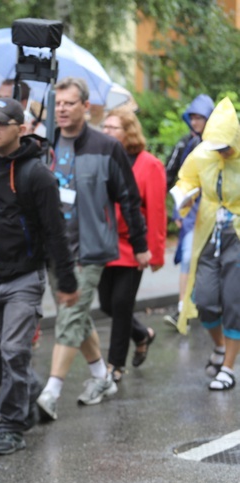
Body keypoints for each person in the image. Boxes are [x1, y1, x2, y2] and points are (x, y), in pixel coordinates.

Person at [0, 97, 78, 454]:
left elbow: (54, 231)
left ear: (21, 128)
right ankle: (27, 389)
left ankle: (11, 425)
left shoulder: (37, 175)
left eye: (0, 122)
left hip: (25, 278)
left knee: (13, 350)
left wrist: (67, 282)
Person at [35, 77, 150, 421]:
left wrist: (141, 247)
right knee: (78, 314)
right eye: (59, 104)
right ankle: (102, 377)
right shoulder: (44, 145)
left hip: (90, 248)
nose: (63, 109)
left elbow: (129, 198)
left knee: (69, 316)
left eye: (70, 103)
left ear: (86, 107)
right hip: (55, 249)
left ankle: (51, 392)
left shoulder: (106, 147)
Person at [171, 97, 240, 390]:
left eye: (226, 147)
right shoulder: (201, 154)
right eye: (216, 147)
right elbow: (185, 179)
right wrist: (184, 196)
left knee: (234, 302)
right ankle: (221, 347)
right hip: (208, 234)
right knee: (207, 302)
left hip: (236, 237)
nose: (221, 152)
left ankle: (228, 368)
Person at [99, 108, 166, 382]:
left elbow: (157, 212)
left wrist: (154, 252)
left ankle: (115, 366)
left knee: (122, 304)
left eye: (113, 128)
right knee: (106, 304)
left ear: (129, 132)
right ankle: (142, 334)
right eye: (104, 127)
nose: (106, 132)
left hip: (132, 247)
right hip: (105, 244)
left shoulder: (149, 164)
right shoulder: (103, 159)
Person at [163, 95, 215, 329]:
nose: (195, 122)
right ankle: (182, 309)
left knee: (212, 263)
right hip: (192, 214)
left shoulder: (219, 147)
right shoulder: (185, 145)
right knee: (187, 258)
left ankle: (207, 307)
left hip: (218, 216)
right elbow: (172, 176)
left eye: (200, 117)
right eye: (192, 117)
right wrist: (177, 210)